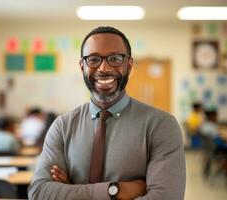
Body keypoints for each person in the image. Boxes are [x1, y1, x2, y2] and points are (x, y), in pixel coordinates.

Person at [28, 26, 186, 200]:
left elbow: (165, 198)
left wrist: (72, 190)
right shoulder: (62, 127)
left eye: (115, 58)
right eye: (94, 59)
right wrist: (114, 191)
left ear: (129, 65)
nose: (104, 68)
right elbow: (39, 193)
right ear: (82, 66)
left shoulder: (162, 125)